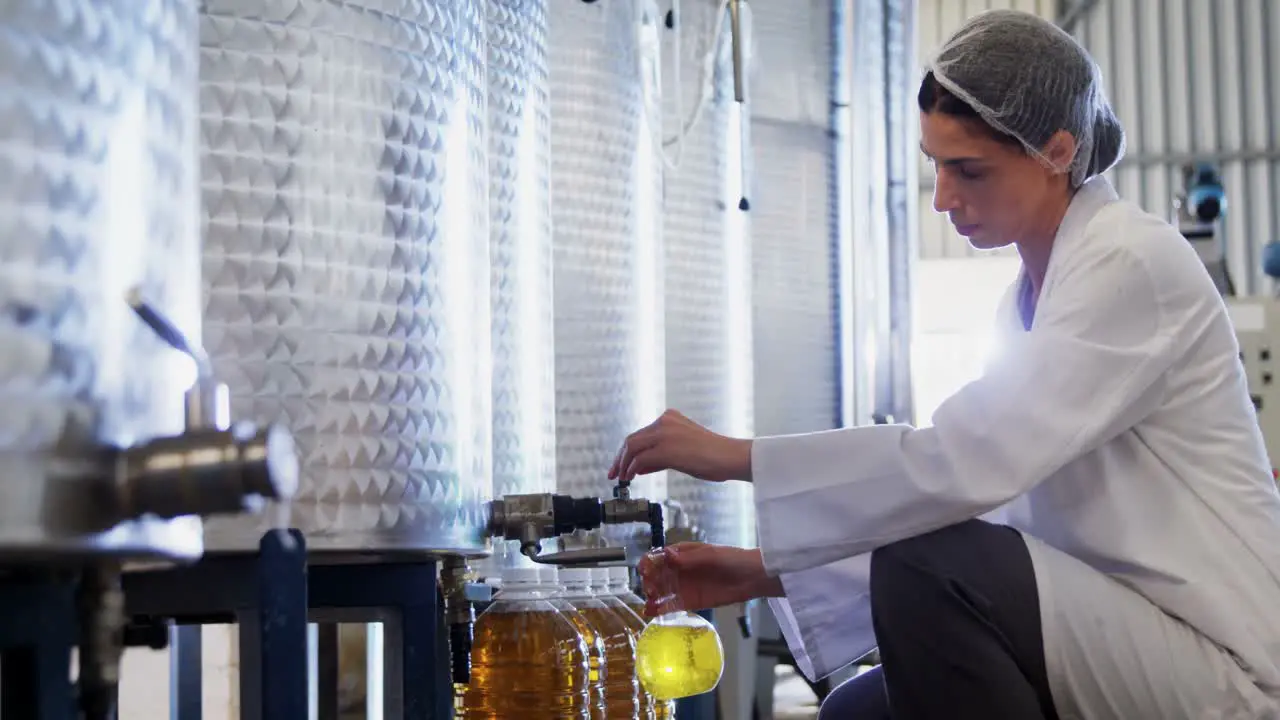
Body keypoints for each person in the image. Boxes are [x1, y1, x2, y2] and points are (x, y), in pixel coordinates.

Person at [611, 9, 1280, 720]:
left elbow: (962, 467)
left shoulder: (1130, 263)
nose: (942, 197)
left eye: (969, 170)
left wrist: (734, 456)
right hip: (1118, 632)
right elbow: (985, 509)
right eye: (935, 164)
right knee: (852, 714)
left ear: (1057, 150)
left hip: (1220, 657)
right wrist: (755, 573)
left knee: (927, 571)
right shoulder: (1024, 306)